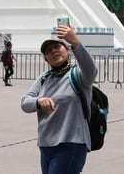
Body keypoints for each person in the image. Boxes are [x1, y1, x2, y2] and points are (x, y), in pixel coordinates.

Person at [21, 24, 98, 174]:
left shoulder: (78, 76)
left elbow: (91, 69)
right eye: (48, 51)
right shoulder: (44, 78)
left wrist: (76, 42)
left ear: (67, 50)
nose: (53, 51)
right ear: (46, 59)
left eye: (57, 47)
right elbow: (25, 102)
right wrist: (38, 101)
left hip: (71, 143)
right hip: (46, 145)